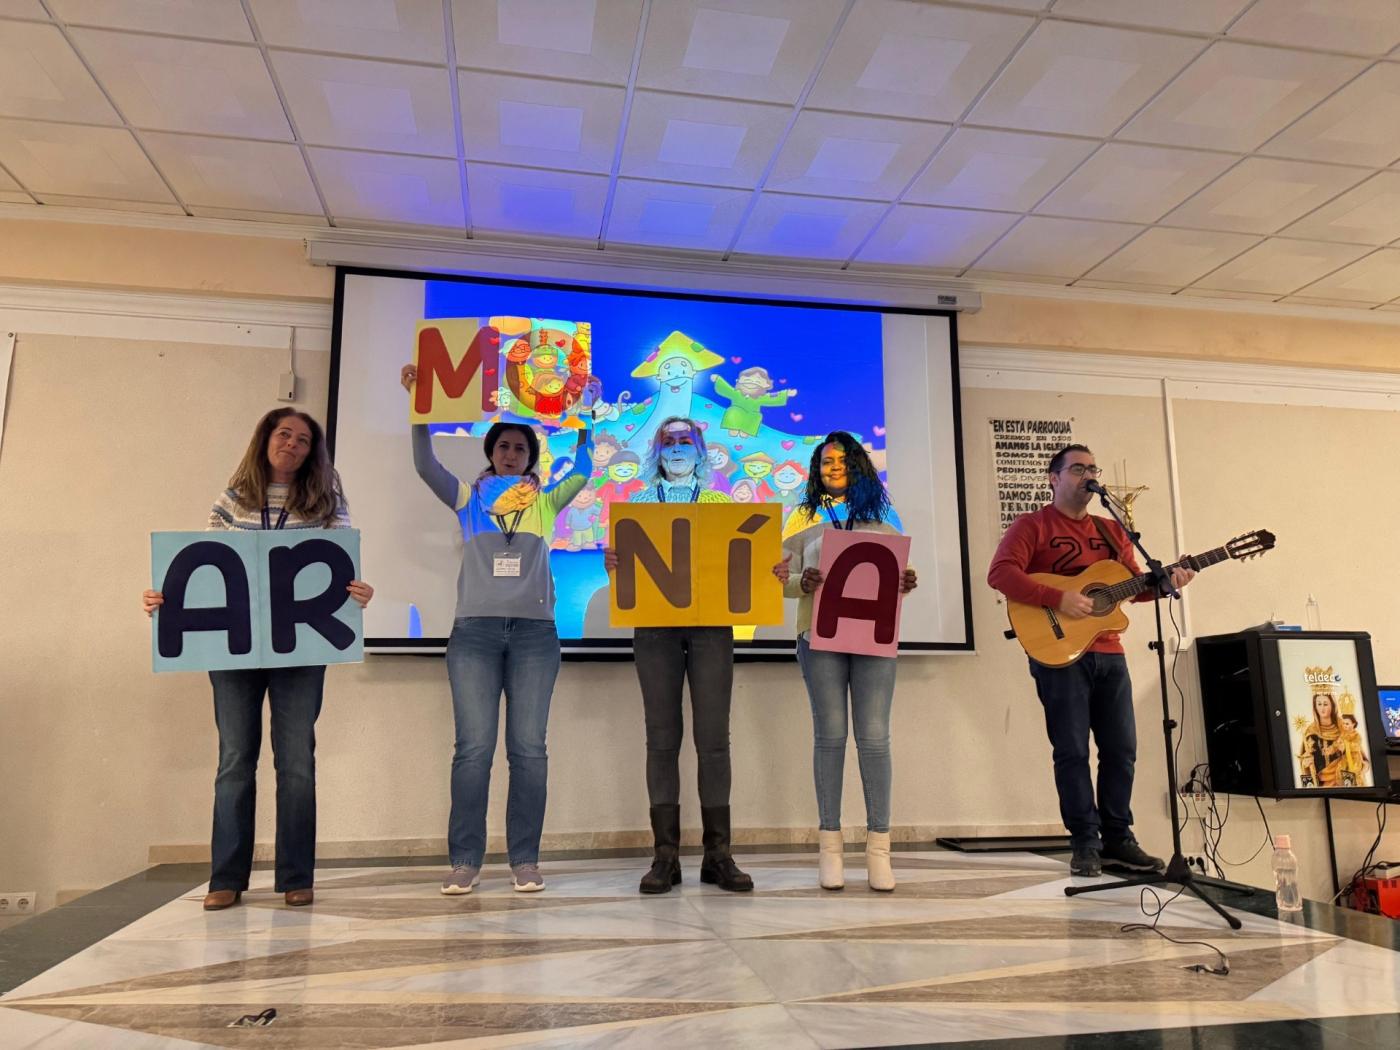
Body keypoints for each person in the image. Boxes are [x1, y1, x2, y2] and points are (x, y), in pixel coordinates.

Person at [141, 408, 374, 910]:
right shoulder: (233, 498)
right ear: (265, 438)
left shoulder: (327, 501)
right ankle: (226, 877)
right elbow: (206, 565)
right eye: (283, 433)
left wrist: (357, 591)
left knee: (296, 763)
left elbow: (340, 568)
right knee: (234, 761)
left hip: (301, 647)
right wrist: (168, 599)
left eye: (304, 439)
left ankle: (295, 877)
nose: (292, 443)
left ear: (313, 452)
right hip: (235, 647)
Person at [402, 363, 593, 895]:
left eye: (521, 449)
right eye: (504, 446)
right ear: (492, 453)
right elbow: (424, 462)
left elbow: (585, 465)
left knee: (528, 749)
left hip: (535, 635)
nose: (512, 454)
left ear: (532, 458)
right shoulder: (469, 500)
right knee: (473, 750)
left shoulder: (548, 502)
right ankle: (465, 859)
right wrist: (420, 407)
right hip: (475, 635)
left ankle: (525, 860)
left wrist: (585, 416)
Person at [987, 444, 1194, 878]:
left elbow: (1131, 588)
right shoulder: (1033, 525)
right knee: (1072, 750)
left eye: (1092, 468)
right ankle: (1085, 840)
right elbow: (1001, 573)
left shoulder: (1111, 531)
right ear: (1053, 478)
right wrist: (1059, 597)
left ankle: (1119, 837)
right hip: (1058, 653)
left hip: (1109, 652)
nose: (1087, 475)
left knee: (1122, 750)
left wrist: (1168, 584)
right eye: (1077, 468)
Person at [603, 418, 752, 894]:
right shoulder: (638, 505)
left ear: (702, 450)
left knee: (714, 740)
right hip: (654, 628)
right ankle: (664, 856)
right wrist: (615, 564)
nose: (678, 448)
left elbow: (740, 560)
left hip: (712, 627)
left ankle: (718, 855)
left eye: (686, 441)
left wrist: (765, 563)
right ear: (656, 452)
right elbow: (629, 572)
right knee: (661, 739)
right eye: (668, 442)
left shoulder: (721, 504)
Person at [771, 432, 916, 892]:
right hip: (819, 634)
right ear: (814, 469)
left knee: (874, 738)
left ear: (859, 465)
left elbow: (896, 571)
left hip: (873, 636)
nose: (833, 467)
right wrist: (801, 580)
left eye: (843, 459)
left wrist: (906, 580)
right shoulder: (802, 516)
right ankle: (829, 848)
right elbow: (779, 578)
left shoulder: (882, 515)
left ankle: (879, 850)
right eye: (825, 461)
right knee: (830, 737)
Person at [1297, 692, 1347, 788]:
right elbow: (1304, 765)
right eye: (1319, 704)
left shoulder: (1344, 727)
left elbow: (1361, 758)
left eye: (1325, 704)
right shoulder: (1311, 732)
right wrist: (1305, 765)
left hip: (1343, 782)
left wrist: (1345, 750)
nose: (1322, 708)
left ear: (1332, 705)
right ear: (1315, 706)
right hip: (1322, 785)